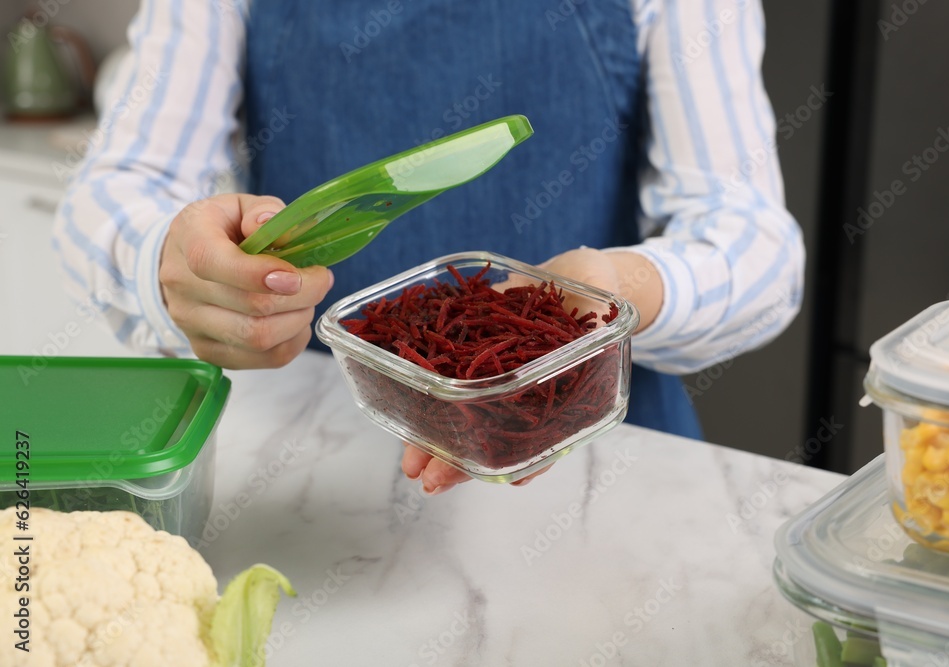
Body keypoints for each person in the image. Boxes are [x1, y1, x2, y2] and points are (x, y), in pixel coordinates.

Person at [55, 0, 804, 494]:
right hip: (315, 471)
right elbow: (120, 183)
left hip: (597, 465)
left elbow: (756, 245)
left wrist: (618, 287)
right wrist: (169, 263)